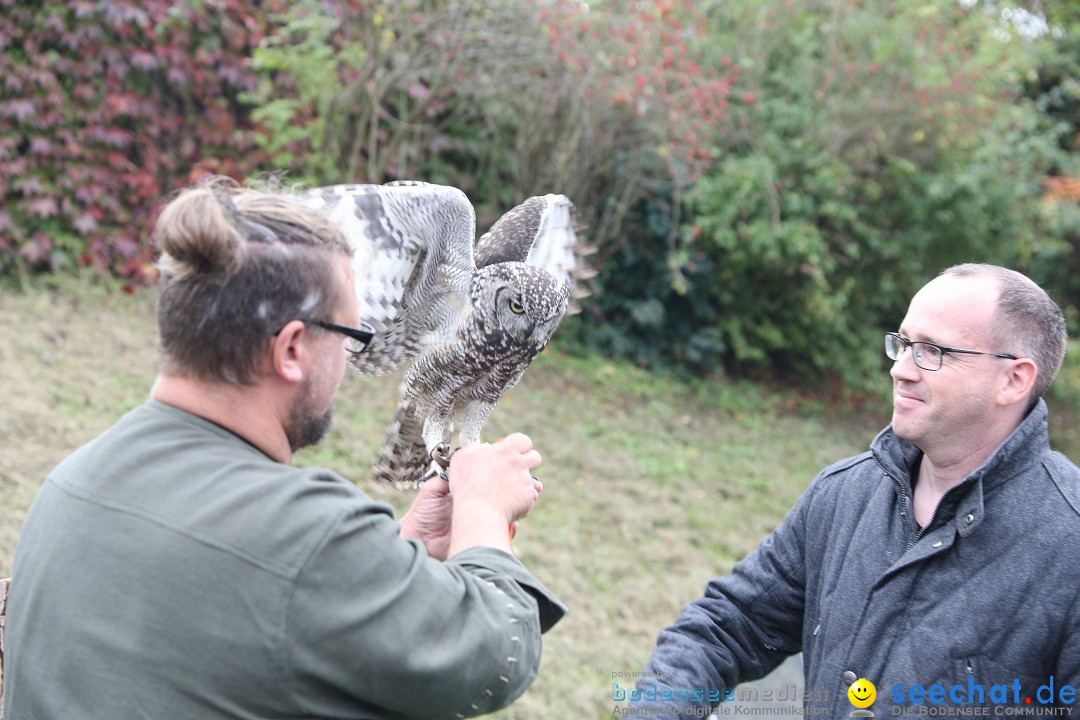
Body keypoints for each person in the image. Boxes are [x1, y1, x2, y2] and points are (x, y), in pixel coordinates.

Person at [2, 178, 565, 720]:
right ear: (293, 348)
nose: (351, 363)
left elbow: (224, 603)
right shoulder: (308, 531)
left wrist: (392, 559)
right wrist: (484, 513)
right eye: (352, 337)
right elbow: (494, 658)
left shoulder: (69, 483)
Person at [628, 264, 1079, 716]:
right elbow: (727, 626)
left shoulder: (1069, 544)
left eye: (932, 351)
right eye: (903, 344)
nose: (900, 370)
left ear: (1013, 379)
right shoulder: (843, 494)